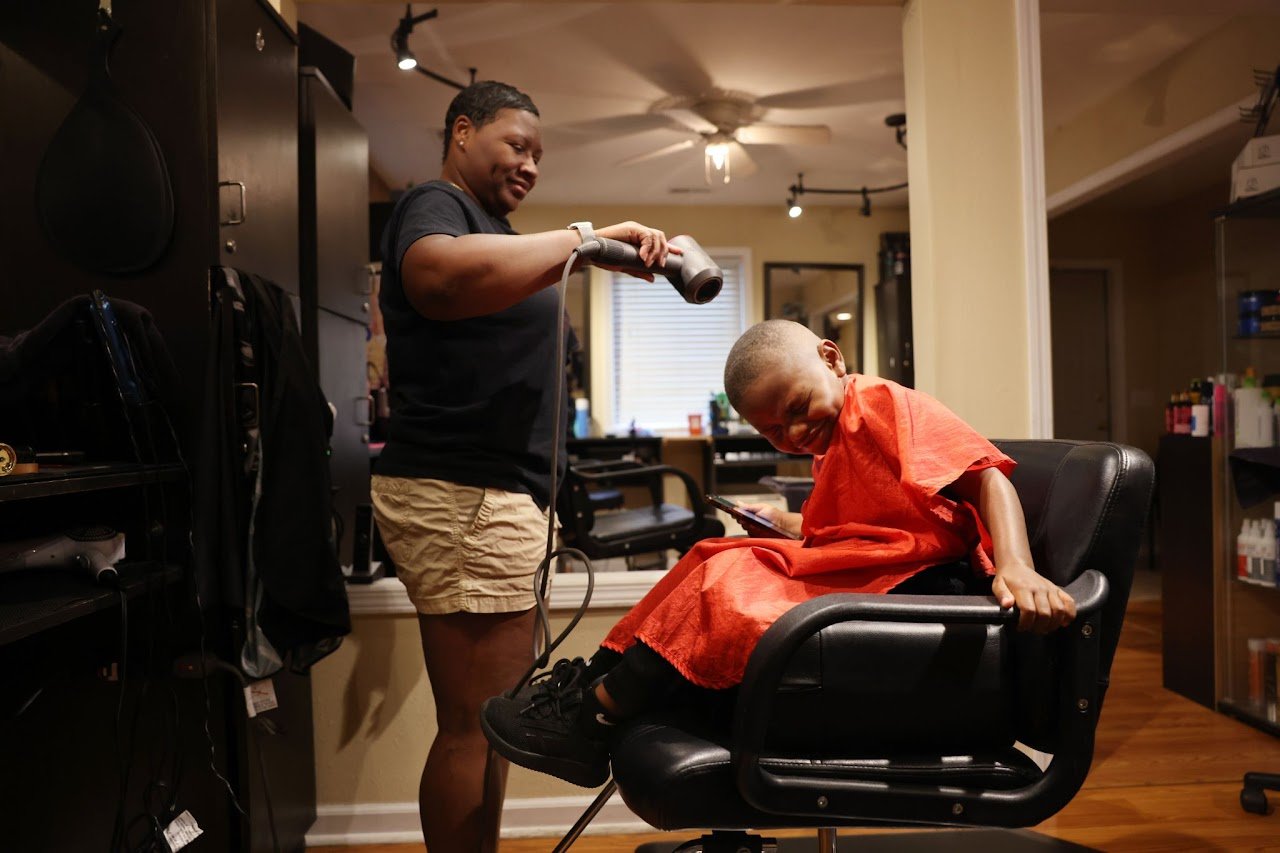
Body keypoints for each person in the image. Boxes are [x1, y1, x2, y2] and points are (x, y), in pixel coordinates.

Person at [480, 319, 1078, 788]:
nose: (791, 434)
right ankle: (591, 689)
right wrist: (782, 521)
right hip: (881, 568)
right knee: (714, 554)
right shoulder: (835, 441)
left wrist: (1017, 566)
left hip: (930, 582)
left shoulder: (884, 406)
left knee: (731, 583)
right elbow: (851, 520)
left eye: (796, 408)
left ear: (830, 358)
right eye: (771, 431)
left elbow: (986, 478)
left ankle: (594, 715)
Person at [369, 80, 677, 852]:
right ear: (463, 131)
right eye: (517, 145)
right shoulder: (431, 206)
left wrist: (586, 247)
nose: (531, 164)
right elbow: (436, 277)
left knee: (491, 725)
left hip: (491, 494)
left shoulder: (496, 232)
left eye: (541, 154)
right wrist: (586, 235)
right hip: (462, 491)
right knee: (475, 725)